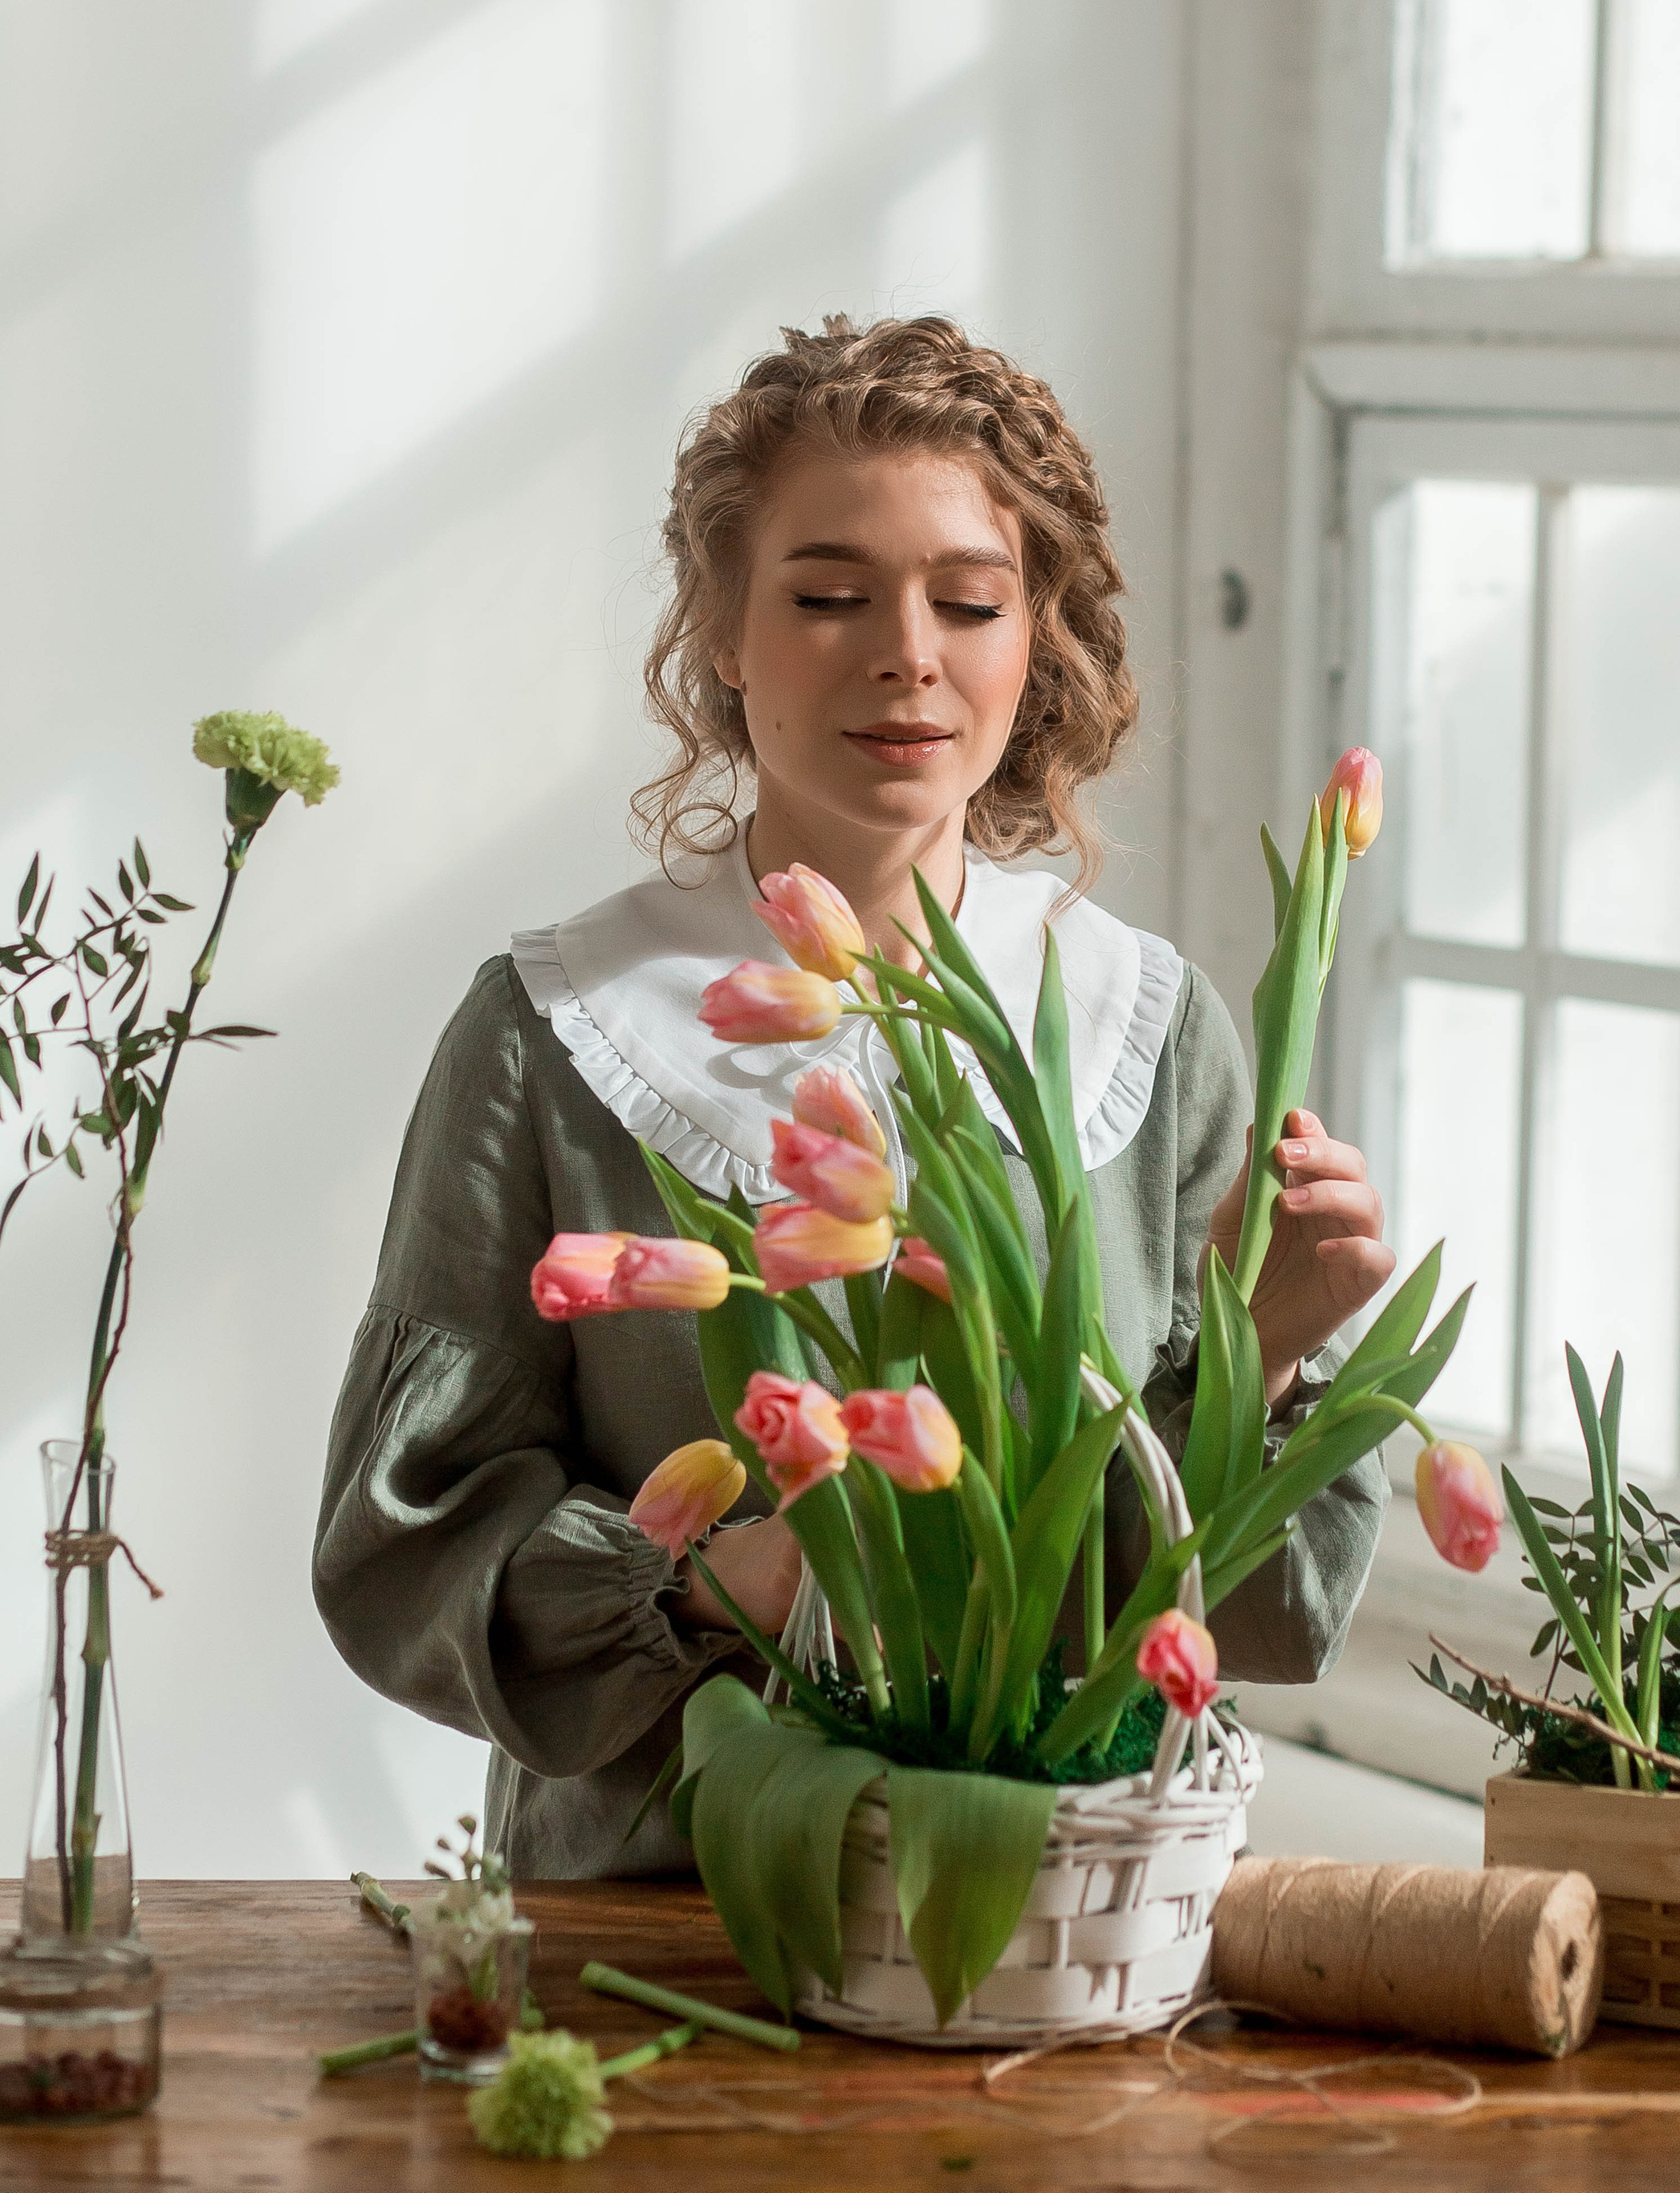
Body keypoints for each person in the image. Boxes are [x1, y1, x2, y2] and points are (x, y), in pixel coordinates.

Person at [315, 316, 1395, 1877]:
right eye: (827, 596)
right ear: (723, 636)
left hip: (1054, 1915)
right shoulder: (557, 1032)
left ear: (1035, 647)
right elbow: (399, 1546)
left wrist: (1269, 1352)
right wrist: (711, 1579)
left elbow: (1232, 1611)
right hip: (652, 1918)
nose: (906, 651)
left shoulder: (1145, 1033)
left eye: (969, 601)